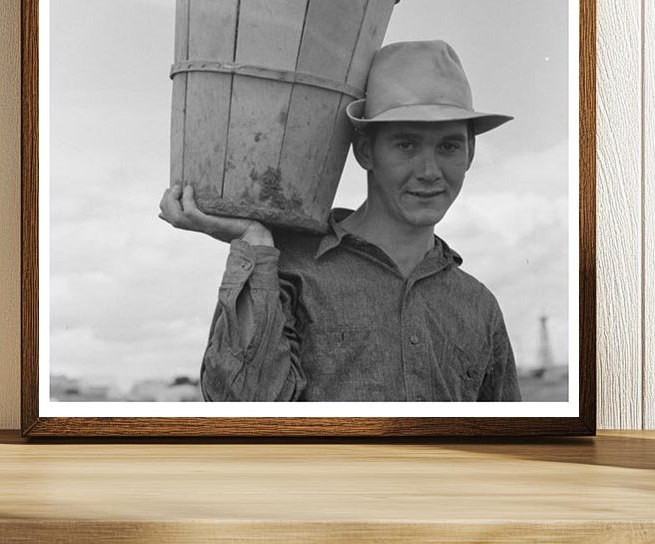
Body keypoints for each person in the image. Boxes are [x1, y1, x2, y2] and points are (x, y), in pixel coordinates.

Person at [158, 39, 522, 402]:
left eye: (449, 146)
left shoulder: (479, 306)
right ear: (365, 150)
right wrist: (254, 244)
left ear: (469, 154)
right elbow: (241, 410)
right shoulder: (287, 269)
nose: (430, 171)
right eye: (406, 145)